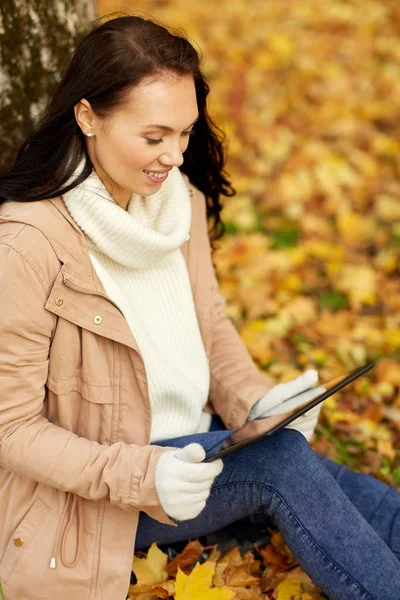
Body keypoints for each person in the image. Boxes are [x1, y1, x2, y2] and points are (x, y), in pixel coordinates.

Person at [0, 14, 399, 600]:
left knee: (354, 491)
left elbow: (207, 325)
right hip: (97, 500)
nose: (175, 155)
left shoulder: (174, 201)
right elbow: (10, 428)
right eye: (154, 136)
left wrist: (257, 403)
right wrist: (145, 474)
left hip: (198, 451)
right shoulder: (28, 245)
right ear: (87, 117)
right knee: (283, 466)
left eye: (185, 133)